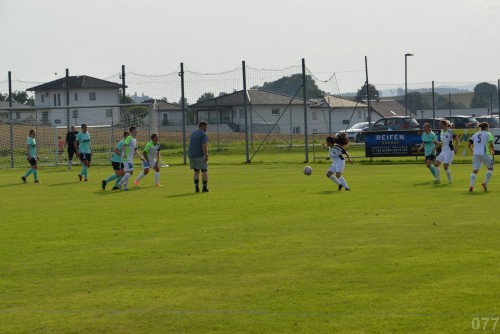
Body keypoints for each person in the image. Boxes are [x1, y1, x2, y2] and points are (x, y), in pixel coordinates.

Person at [468, 122, 495, 192]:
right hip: (485, 153)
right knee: (490, 168)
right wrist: (493, 150)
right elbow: (491, 143)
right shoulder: (488, 134)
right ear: (486, 127)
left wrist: (472, 151)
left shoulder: (475, 134)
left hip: (476, 154)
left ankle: (471, 185)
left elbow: (469, 144)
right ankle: (485, 183)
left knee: (475, 171)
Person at [117, 126, 145, 191]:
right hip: (126, 158)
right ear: (131, 131)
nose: (136, 132)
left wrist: (140, 157)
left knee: (127, 172)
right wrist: (125, 154)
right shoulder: (129, 137)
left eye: (136, 131)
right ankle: (120, 183)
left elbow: (135, 150)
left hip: (129, 158)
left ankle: (125, 187)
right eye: (135, 131)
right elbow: (124, 145)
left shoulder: (134, 140)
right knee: (131, 171)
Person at [434, 119, 458, 184]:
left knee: (445, 166)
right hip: (443, 151)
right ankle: (437, 180)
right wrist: (438, 143)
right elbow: (443, 142)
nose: (439, 125)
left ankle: (450, 181)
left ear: (444, 124)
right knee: (436, 164)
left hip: (449, 151)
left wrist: (456, 148)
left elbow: (456, 139)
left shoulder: (450, 131)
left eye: (440, 124)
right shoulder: (442, 131)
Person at [188, 121, 209, 193]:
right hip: (200, 155)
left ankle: (196, 188)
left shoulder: (193, 133)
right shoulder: (203, 134)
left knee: (196, 171)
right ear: (202, 126)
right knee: (204, 171)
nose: (207, 128)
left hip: (191, 155)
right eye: (206, 127)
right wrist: (206, 155)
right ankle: (204, 188)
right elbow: (204, 145)